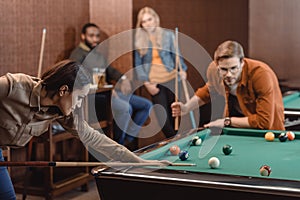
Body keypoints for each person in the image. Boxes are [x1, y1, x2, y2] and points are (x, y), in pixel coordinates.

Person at [0, 60, 169, 200]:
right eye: (79, 97)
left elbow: (97, 140)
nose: (79, 104)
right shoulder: (14, 86)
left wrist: (141, 163)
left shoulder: (63, 114)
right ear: (63, 90)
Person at [69, 23, 153, 150]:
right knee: (126, 108)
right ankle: (117, 147)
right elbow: (76, 79)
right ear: (83, 36)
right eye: (91, 36)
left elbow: (110, 70)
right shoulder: (77, 55)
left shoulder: (98, 54)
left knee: (146, 105)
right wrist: (106, 89)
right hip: (93, 98)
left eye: (97, 36)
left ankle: (126, 140)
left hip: (109, 93)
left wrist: (124, 79)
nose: (95, 39)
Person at [171, 40, 285, 130]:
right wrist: (186, 108)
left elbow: (264, 122)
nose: (229, 74)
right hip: (236, 128)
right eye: (224, 69)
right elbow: (207, 92)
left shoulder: (261, 74)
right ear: (217, 65)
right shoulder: (213, 70)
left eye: (234, 68)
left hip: (268, 133)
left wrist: (227, 121)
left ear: (242, 62)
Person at [134, 7, 188, 138]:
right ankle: (173, 140)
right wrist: (147, 84)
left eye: (149, 19)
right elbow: (138, 65)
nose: (147, 24)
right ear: (140, 24)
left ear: (155, 19)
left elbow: (177, 55)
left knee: (173, 114)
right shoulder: (139, 39)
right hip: (154, 82)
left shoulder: (168, 35)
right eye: (144, 21)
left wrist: (183, 70)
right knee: (162, 117)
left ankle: (175, 142)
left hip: (171, 77)